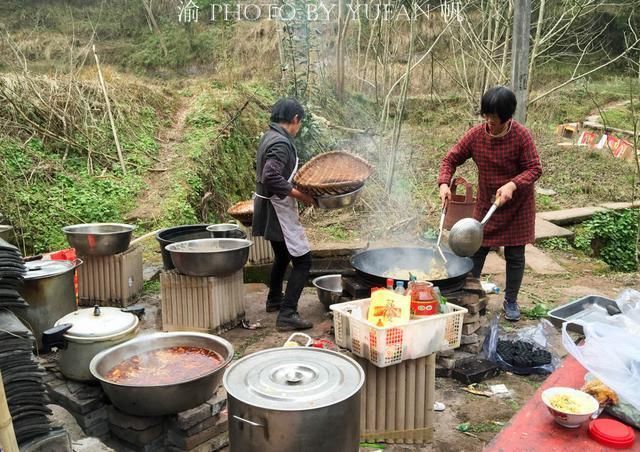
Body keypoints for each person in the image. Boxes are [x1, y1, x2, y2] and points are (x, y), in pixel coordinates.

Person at [437, 86, 542, 321]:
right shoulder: (476, 135)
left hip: (517, 205)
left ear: (507, 117)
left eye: (494, 118)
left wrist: (512, 185)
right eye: (486, 116)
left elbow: (535, 168)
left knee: (515, 256)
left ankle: (511, 300)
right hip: (487, 203)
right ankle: (468, 292)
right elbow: (450, 158)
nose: (489, 122)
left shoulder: (521, 136)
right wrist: (444, 183)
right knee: (476, 250)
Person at [253, 98, 316, 331]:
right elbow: (270, 175)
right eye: (300, 123)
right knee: (303, 261)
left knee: (282, 255)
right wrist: (302, 196)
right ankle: (287, 314)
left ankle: (274, 300)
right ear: (295, 119)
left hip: (267, 205)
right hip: (278, 208)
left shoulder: (269, 136)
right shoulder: (281, 142)